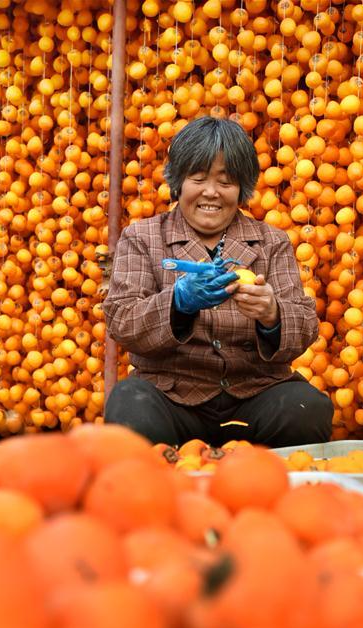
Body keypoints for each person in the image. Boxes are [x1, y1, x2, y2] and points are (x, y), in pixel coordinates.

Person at [103, 116, 333, 448]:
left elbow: (305, 325)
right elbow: (122, 320)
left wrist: (272, 315)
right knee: (129, 406)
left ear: (242, 189)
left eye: (226, 182)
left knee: (307, 410)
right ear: (179, 182)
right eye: (198, 178)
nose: (211, 192)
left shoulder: (271, 242)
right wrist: (177, 304)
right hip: (173, 394)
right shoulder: (143, 237)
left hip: (255, 392)